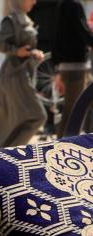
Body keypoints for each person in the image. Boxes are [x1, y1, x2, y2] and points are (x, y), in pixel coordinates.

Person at [0, 0, 47, 151]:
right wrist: (15, 51)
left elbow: (25, 47)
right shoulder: (12, 19)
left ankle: (1, 153)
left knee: (12, 117)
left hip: (23, 73)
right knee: (37, 116)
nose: (34, 2)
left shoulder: (25, 19)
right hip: (14, 74)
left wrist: (34, 53)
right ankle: (10, 152)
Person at [52, 0, 93, 138]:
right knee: (73, 112)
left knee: (76, 109)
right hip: (76, 69)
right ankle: (60, 149)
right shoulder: (74, 5)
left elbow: (56, 38)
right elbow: (82, 30)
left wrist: (57, 69)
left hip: (68, 68)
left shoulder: (62, 5)